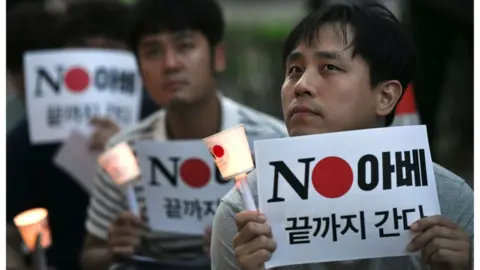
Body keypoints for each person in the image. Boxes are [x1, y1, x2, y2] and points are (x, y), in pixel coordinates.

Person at [211, 2, 473, 270]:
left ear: (385, 96)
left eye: (329, 68)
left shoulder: (450, 202)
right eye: (294, 71)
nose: (301, 86)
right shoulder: (243, 215)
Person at [80, 0, 287, 269]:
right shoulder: (123, 152)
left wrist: (235, 245)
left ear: (218, 56)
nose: (170, 64)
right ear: (139, 68)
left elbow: (304, 248)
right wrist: (114, 248)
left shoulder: (270, 142)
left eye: (185, 46)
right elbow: (89, 257)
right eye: (153, 51)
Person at [7, 1, 146, 270]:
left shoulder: (159, 123)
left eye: (110, 50)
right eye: (84, 47)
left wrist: (122, 153)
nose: (96, 61)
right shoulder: (27, 138)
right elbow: (11, 229)